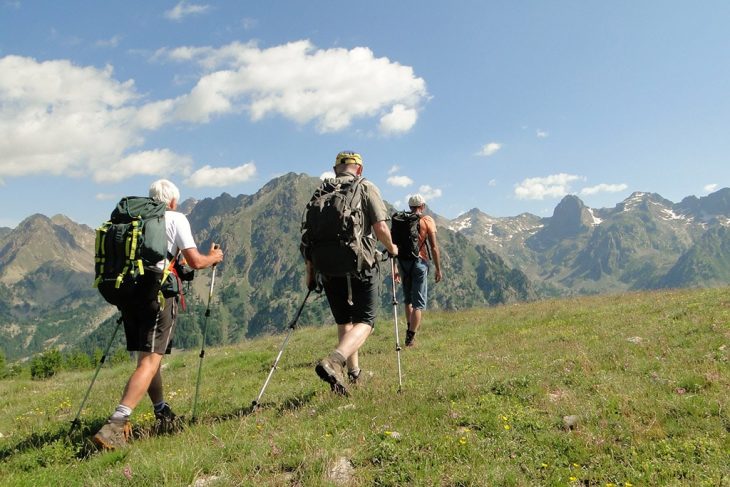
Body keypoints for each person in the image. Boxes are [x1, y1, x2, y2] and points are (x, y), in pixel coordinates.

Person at [92, 179, 224, 450]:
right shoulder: (176, 218)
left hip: (129, 293)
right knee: (151, 361)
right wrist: (215, 257)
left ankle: (162, 411)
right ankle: (116, 423)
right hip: (157, 296)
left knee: (146, 358)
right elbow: (196, 261)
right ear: (173, 201)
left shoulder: (135, 222)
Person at [304, 151, 398, 395]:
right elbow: (380, 227)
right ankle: (335, 361)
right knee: (365, 322)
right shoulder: (365, 187)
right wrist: (392, 248)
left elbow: (308, 237)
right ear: (360, 169)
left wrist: (310, 273)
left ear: (336, 169)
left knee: (344, 321)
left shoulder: (320, 192)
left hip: (326, 267)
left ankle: (353, 374)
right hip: (360, 264)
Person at [394, 194, 442, 347]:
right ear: (423, 206)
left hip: (402, 262)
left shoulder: (400, 220)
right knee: (418, 303)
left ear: (409, 207)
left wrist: (395, 267)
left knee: (408, 300)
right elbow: (434, 247)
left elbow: (394, 245)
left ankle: (409, 330)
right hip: (419, 263)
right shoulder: (427, 220)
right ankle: (410, 338)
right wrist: (438, 268)